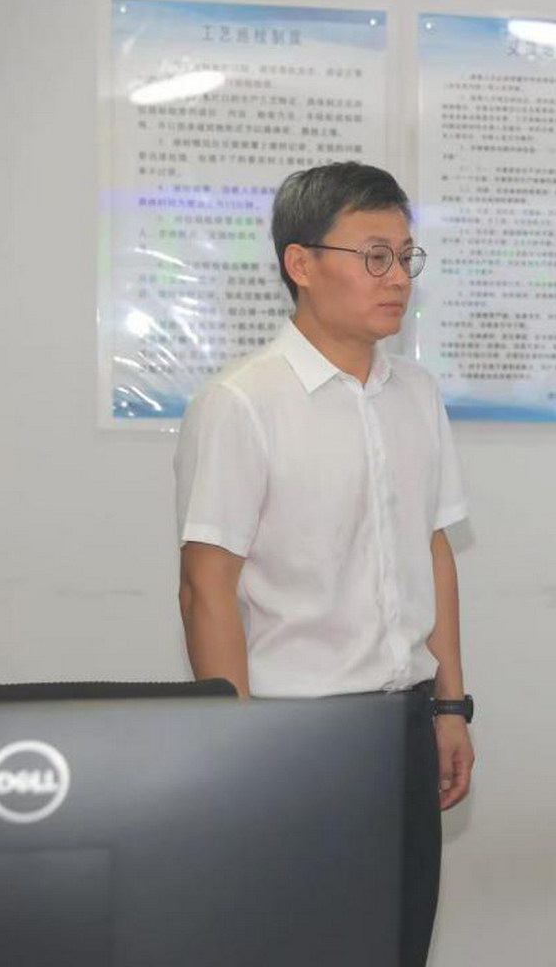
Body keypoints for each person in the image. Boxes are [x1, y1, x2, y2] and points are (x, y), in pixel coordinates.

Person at [173, 161, 472, 966]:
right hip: (292, 729)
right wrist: (237, 750)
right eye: (374, 256)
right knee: (302, 943)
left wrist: (451, 706)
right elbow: (206, 587)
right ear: (300, 264)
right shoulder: (243, 401)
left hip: (406, 721)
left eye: (405, 257)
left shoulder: (417, 393)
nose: (397, 278)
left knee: (399, 941)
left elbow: (433, 549)